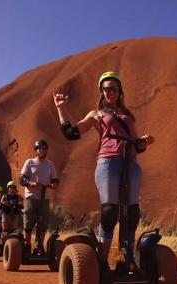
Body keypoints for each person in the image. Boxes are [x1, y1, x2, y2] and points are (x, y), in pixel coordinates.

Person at [53, 71, 154, 270]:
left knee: (132, 212)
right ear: (101, 91)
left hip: (130, 163)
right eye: (106, 89)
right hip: (107, 162)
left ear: (120, 91)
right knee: (110, 211)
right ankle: (102, 260)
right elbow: (72, 133)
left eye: (114, 89)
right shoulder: (96, 114)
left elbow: (138, 146)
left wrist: (144, 141)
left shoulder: (128, 116)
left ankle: (129, 260)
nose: (110, 93)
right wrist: (61, 109)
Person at [19, 140, 59, 255]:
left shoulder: (50, 164)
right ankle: (27, 244)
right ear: (36, 150)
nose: (41, 150)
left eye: (44, 148)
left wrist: (54, 184)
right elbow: (22, 179)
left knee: (43, 222)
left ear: (46, 150)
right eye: (39, 148)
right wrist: (30, 183)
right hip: (31, 197)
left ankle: (40, 245)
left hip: (44, 197)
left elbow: (55, 179)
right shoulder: (29, 162)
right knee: (29, 220)